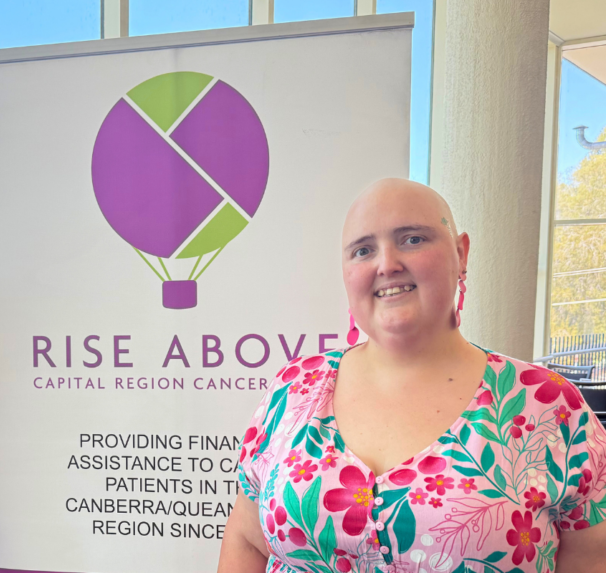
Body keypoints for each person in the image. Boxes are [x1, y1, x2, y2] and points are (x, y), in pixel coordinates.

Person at [218, 179, 606, 573]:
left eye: (413, 239)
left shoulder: (547, 406)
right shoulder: (294, 388)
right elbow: (247, 540)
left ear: (461, 254)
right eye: (363, 250)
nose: (386, 264)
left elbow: (592, 559)